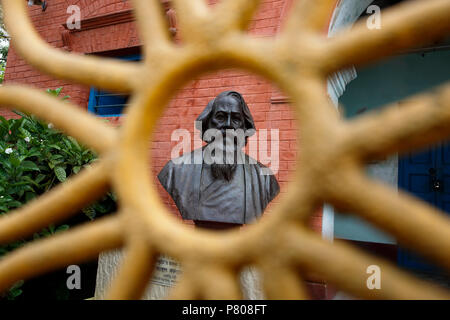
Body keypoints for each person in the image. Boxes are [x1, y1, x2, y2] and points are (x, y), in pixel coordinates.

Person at [158, 91, 280, 230]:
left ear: (244, 128)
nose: (228, 125)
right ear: (208, 123)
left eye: (235, 119)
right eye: (220, 117)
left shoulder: (263, 177)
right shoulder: (176, 169)